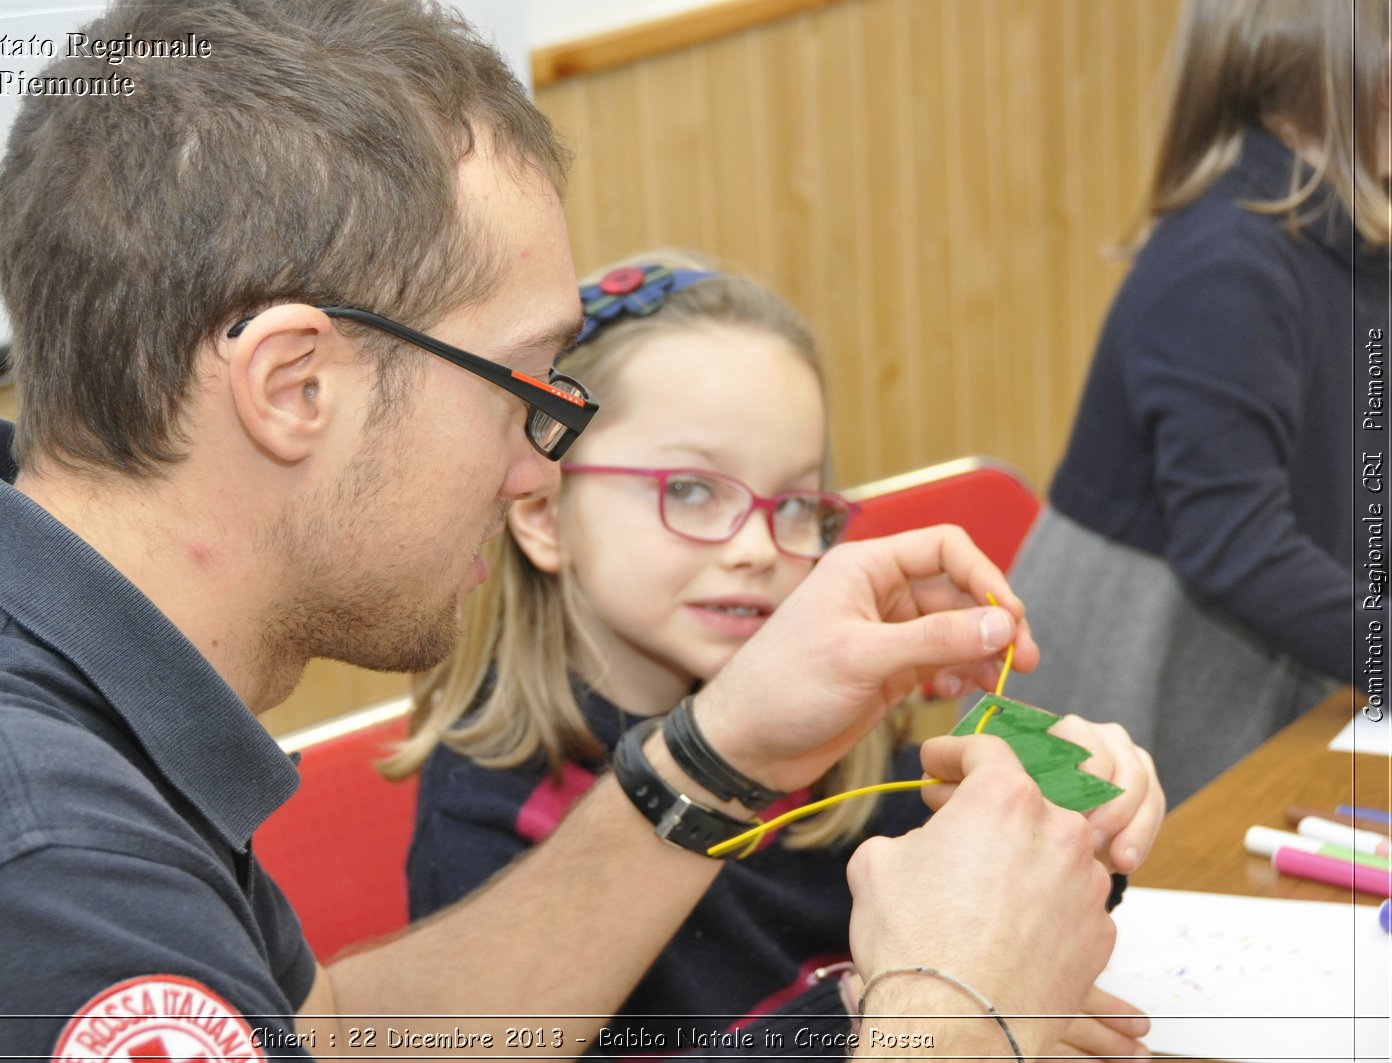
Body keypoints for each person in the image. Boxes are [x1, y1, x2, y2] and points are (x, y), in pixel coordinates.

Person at [0, 1, 1149, 1059]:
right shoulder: (31, 879)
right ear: (294, 385)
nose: (533, 462)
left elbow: (330, 1039)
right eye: (520, 385)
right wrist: (950, 1011)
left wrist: (720, 750)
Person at [390, 256, 1165, 1057]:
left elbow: (990, 920)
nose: (759, 546)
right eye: (691, 490)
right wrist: (899, 1012)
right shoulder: (485, 819)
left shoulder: (821, 736)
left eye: (794, 504)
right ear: (545, 513)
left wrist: (1065, 818)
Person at [1006, 0, 1391, 806]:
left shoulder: (1359, 229)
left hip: (1264, 656)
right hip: (1132, 682)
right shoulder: (1226, 266)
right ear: (1339, 66)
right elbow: (1237, 549)